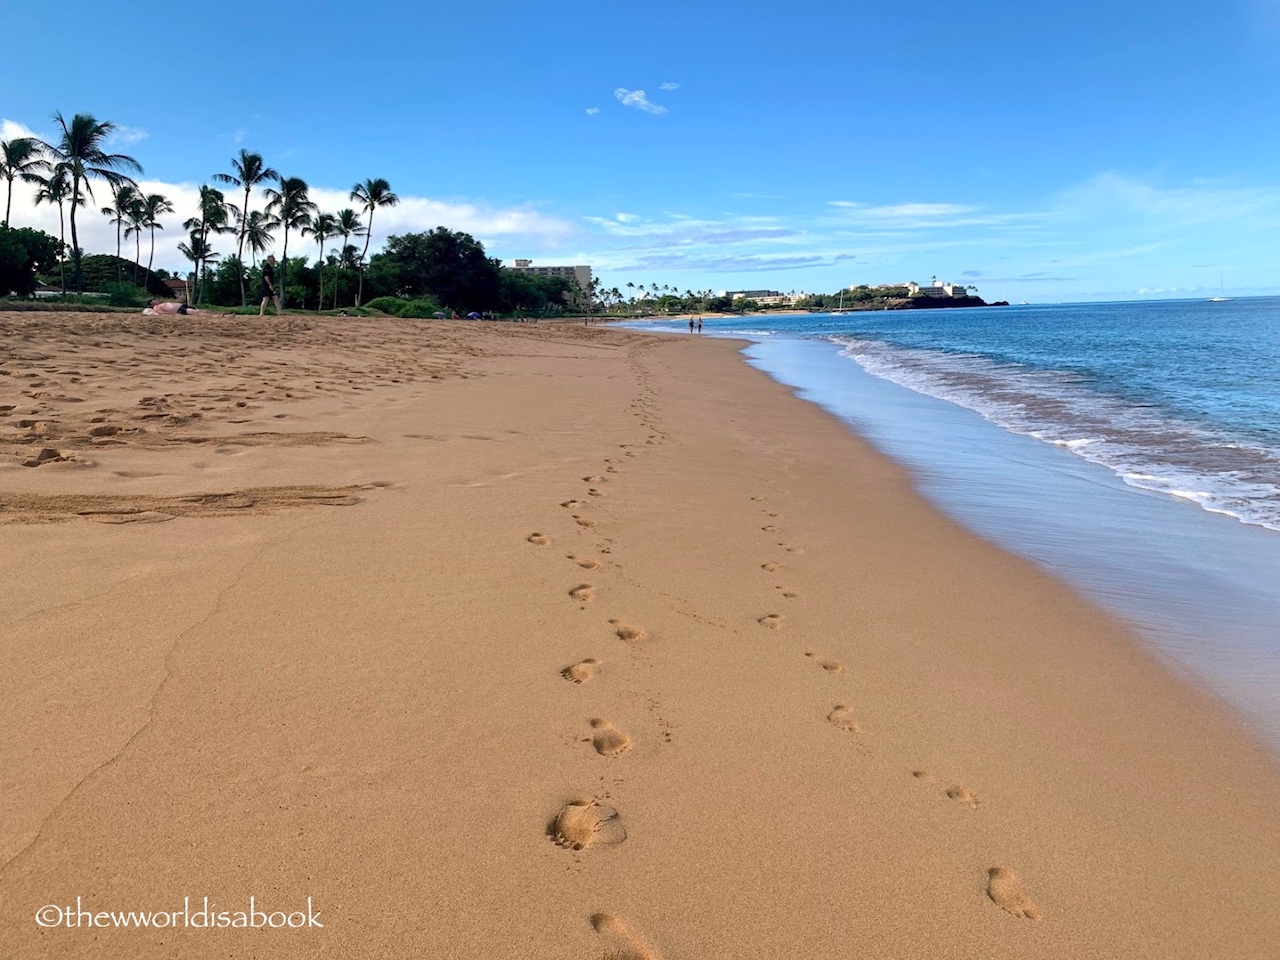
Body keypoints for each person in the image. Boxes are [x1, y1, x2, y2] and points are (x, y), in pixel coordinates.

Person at [143, 299, 224, 316]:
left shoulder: (161, 303)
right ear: (152, 303)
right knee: (196, 312)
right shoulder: (156, 307)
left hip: (182, 306)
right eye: (154, 300)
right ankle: (215, 316)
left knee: (199, 310)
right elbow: (162, 313)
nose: (156, 300)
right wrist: (175, 314)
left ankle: (220, 314)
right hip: (179, 309)